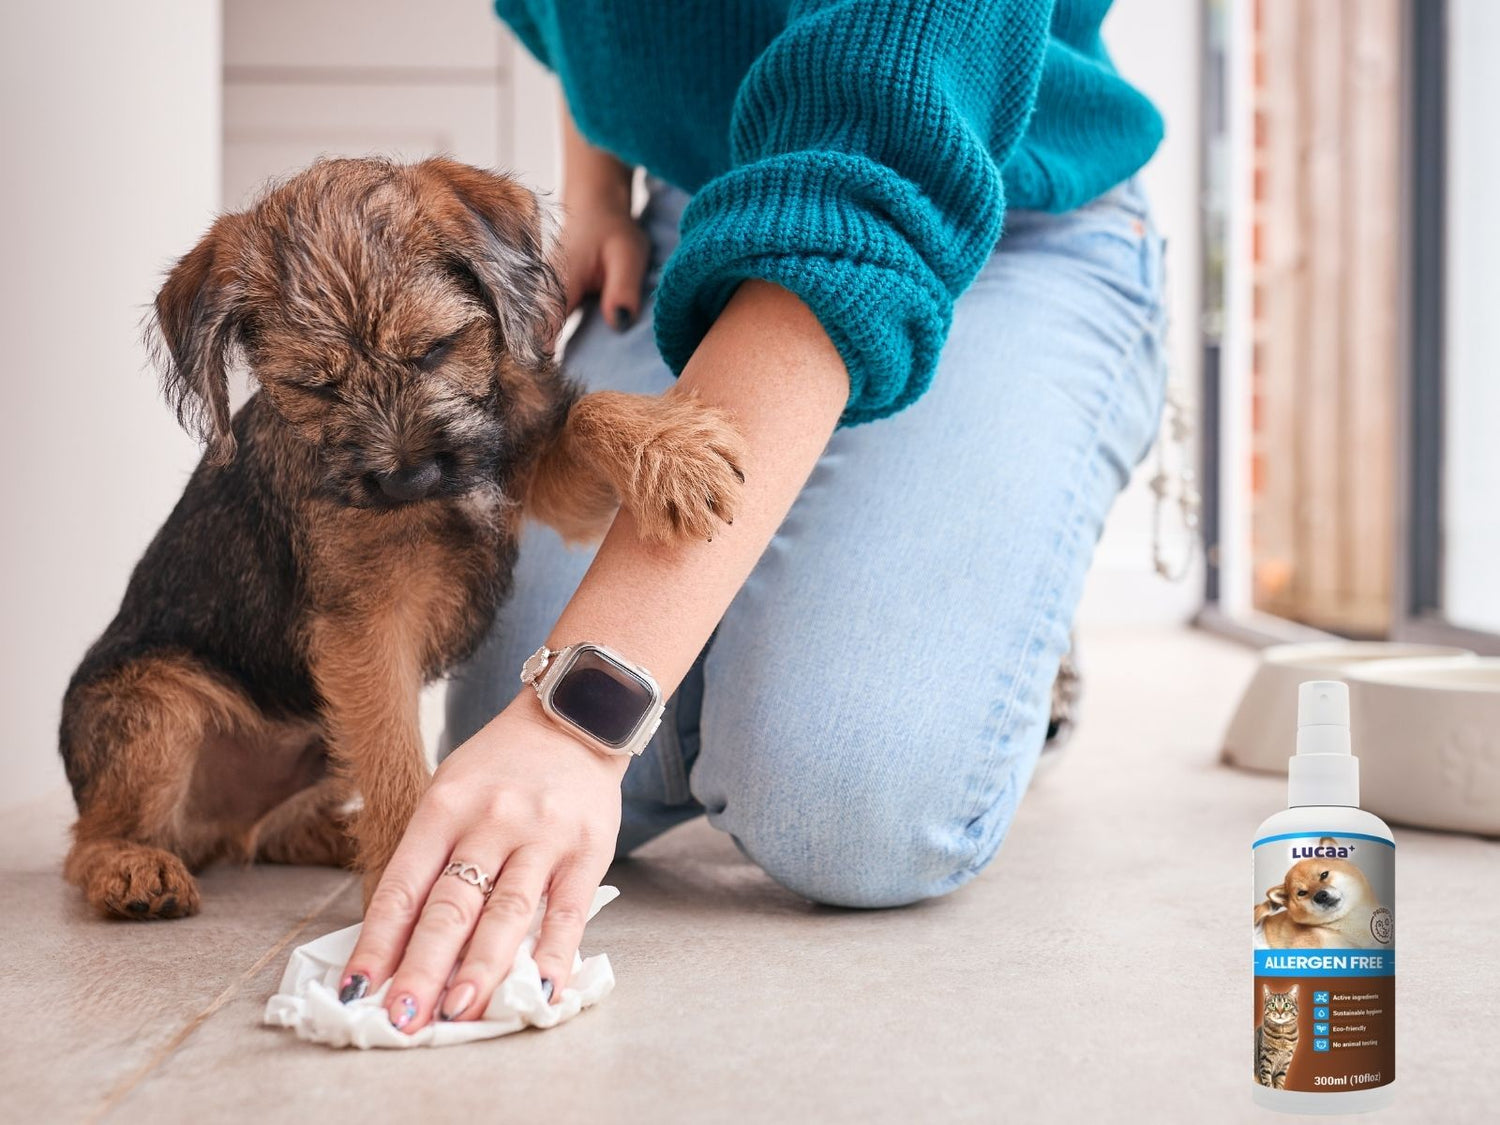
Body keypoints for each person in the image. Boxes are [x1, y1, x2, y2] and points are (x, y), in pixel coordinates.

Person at [338, 0, 1167, 1033]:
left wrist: (578, 722)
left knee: (840, 807)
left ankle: (1004, 607)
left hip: (990, 209)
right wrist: (596, 194)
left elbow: (871, 154)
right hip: (704, 204)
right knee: (507, 743)